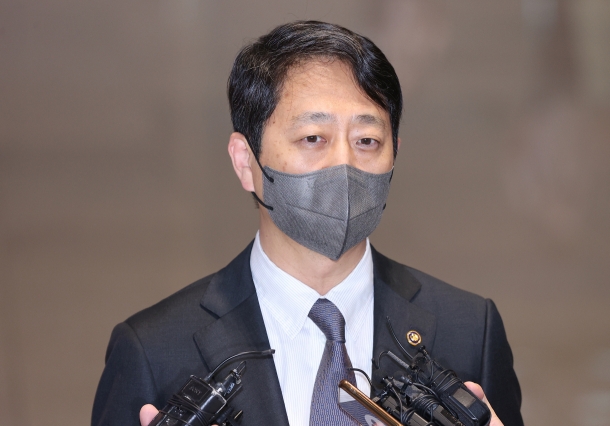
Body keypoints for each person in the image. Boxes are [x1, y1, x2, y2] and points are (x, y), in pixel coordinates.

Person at [92, 21, 522, 426]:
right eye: (313, 139)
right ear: (245, 161)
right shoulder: (154, 349)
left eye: (367, 141)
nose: (345, 164)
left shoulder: (468, 329)